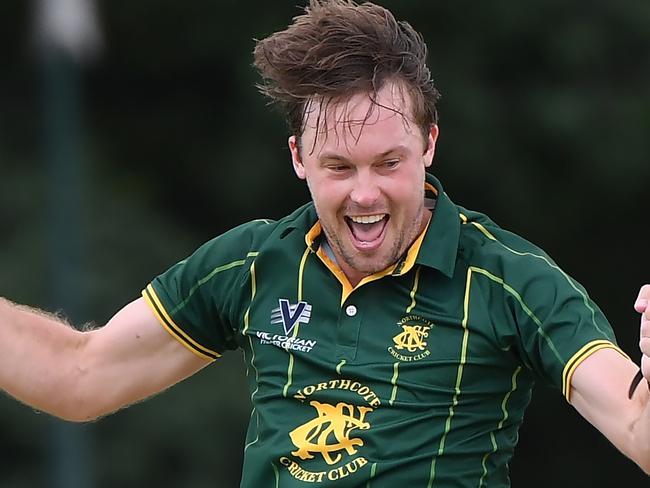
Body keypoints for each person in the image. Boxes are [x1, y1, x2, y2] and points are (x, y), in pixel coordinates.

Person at [1, 0, 649, 486]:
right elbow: (78, 376)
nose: (365, 195)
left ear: (428, 145)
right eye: (339, 167)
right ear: (299, 159)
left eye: (388, 163)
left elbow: (633, 427)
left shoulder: (511, 280)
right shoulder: (253, 264)